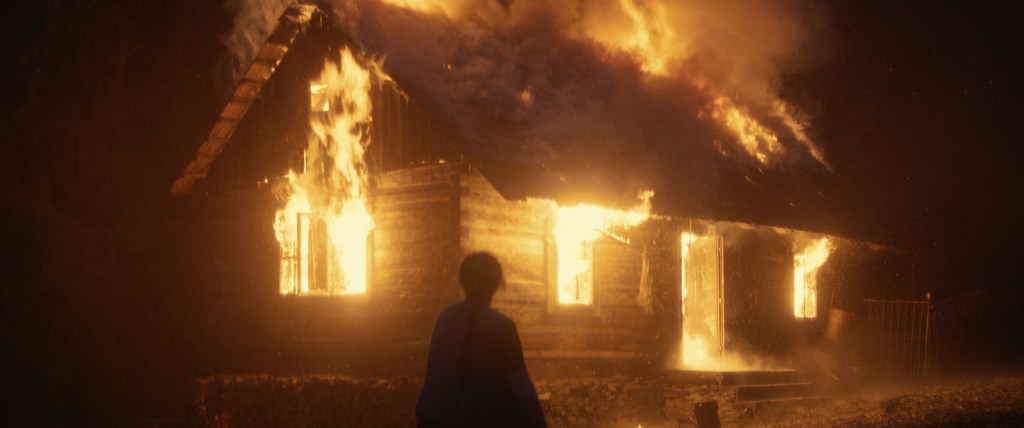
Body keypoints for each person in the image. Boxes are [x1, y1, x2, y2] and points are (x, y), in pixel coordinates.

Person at [416, 252, 547, 428]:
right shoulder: (502, 327)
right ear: (495, 283)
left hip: (437, 416)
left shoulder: (445, 319)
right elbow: (520, 384)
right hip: (482, 419)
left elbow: (434, 373)